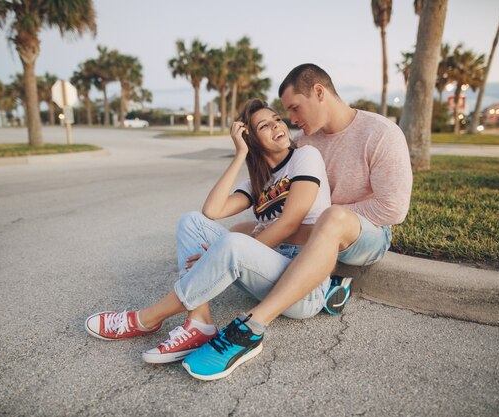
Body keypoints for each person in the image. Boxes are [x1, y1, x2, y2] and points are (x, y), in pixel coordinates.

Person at [182, 63, 413, 380]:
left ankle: (252, 326)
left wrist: (319, 223)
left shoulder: (381, 133)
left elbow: (393, 209)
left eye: (293, 108)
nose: (290, 120)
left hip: (366, 235)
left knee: (329, 219)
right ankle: (319, 281)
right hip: (315, 233)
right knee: (242, 229)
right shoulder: (306, 142)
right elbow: (270, 198)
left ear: (318, 92)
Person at [85, 98, 333, 379]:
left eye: (277, 119)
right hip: (269, 267)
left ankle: (147, 317)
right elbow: (212, 210)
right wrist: (240, 154)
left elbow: (289, 223)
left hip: (304, 284)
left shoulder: (305, 156)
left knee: (233, 243)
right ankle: (199, 322)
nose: (278, 126)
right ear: (251, 139)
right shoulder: (258, 180)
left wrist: (217, 253)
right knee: (192, 221)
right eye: (265, 125)